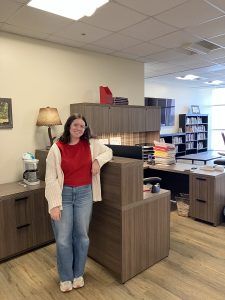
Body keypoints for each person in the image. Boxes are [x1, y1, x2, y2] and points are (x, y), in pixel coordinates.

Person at [45, 113, 112, 292]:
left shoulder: (91, 144)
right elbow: (51, 179)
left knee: (82, 237)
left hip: (84, 194)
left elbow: (109, 152)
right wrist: (54, 205)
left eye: (82, 126)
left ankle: (78, 274)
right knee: (63, 239)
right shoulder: (56, 148)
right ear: (68, 126)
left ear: (85, 129)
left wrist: (98, 161)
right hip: (63, 195)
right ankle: (66, 277)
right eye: (75, 125)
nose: (78, 129)